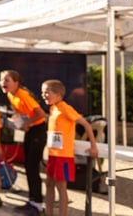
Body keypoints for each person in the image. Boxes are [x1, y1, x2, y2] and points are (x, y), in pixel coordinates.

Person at [41, 79, 99, 216]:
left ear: (58, 95)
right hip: (52, 154)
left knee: (61, 188)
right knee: (49, 184)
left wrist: (93, 147)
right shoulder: (53, 108)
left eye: (46, 92)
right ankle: (48, 213)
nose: (43, 95)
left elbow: (87, 125)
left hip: (64, 156)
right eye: (42, 92)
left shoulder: (66, 108)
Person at [0, 69, 47, 215]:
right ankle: (32, 200)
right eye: (1, 80)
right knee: (28, 166)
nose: (3, 83)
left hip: (38, 130)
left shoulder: (23, 95)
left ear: (16, 83)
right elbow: (21, 112)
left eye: (7, 80)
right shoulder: (10, 95)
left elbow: (41, 114)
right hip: (29, 130)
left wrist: (28, 123)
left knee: (33, 167)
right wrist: (20, 121)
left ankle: (38, 204)